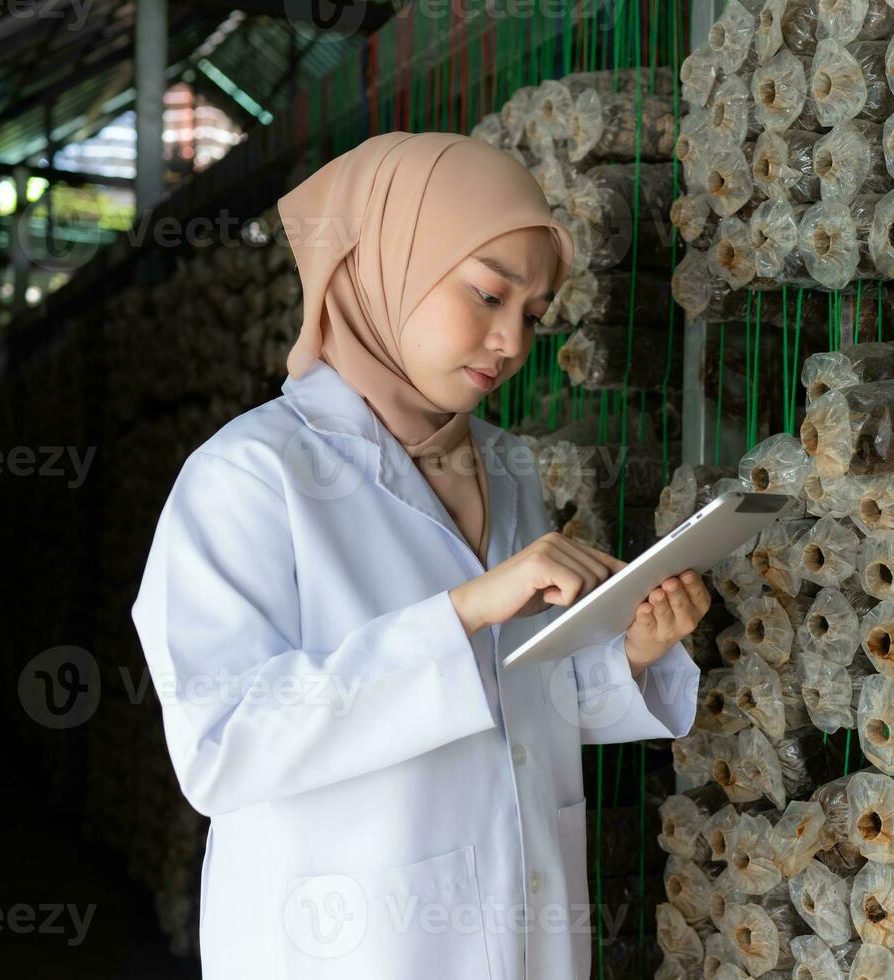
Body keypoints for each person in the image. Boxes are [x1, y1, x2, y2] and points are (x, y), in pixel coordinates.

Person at [130, 131, 704, 980]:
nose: (509, 340)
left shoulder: (504, 466)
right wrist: (465, 609)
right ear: (389, 263)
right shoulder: (251, 474)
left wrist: (632, 653)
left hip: (518, 930)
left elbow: (514, 700)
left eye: (532, 316)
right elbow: (221, 746)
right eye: (486, 294)